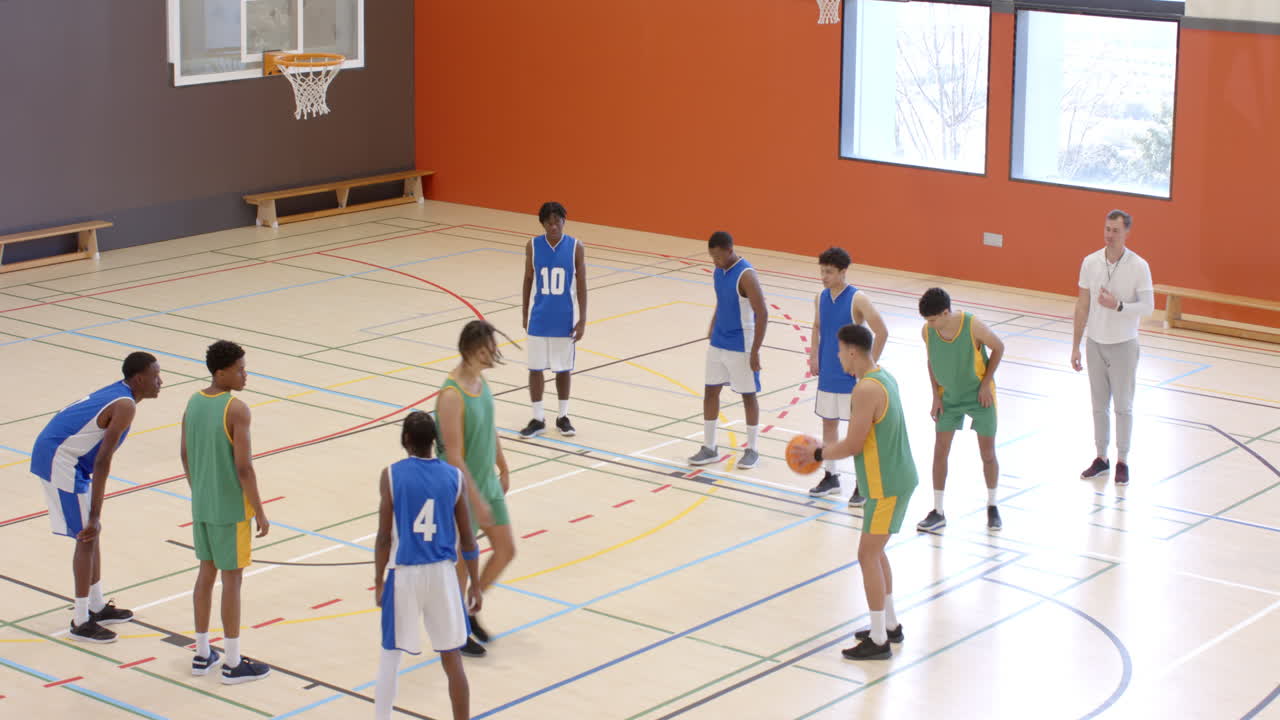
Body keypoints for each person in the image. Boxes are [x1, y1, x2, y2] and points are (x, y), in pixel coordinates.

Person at [802, 325, 917, 660]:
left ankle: (879, 640)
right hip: (893, 479)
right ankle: (890, 625)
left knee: (866, 555)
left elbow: (853, 444)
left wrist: (820, 453)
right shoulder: (884, 376)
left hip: (887, 485)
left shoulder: (865, 390)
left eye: (839, 351)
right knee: (877, 553)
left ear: (852, 351)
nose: (837, 357)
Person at [30, 351, 163, 643]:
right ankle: (81, 620)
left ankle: (97, 604)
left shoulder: (121, 393)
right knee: (87, 535)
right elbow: (103, 460)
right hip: (60, 460)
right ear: (139, 379)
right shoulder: (125, 405)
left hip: (67, 458)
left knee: (91, 535)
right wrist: (95, 513)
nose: (160, 381)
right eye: (155, 376)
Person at [373, 411, 482, 720]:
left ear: (406, 439)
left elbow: (383, 537)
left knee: (390, 657)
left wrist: (379, 580)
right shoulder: (453, 476)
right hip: (443, 575)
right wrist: (474, 581)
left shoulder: (391, 475)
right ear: (434, 441)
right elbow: (468, 538)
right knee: (452, 660)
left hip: (405, 573)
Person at [181, 340, 271, 684]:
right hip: (231, 509)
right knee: (232, 581)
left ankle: (203, 654)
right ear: (221, 372)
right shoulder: (236, 409)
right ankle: (233, 662)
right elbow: (244, 468)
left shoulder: (193, 402)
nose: (245, 374)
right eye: (240, 369)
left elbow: (185, 454)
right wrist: (260, 511)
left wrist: (200, 491)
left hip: (202, 504)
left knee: (206, 575)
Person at [437, 320, 513, 656]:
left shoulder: (480, 383)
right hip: (460, 489)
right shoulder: (452, 395)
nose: (492, 355)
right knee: (461, 564)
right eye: (486, 350)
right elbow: (453, 455)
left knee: (505, 548)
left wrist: (502, 463)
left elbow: (489, 427)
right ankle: (457, 629)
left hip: (486, 480)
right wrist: (475, 498)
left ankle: (469, 610)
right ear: (470, 349)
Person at [1071, 209, 1154, 486]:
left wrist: (1118, 305)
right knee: (1098, 405)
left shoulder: (1139, 266)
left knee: (1123, 406)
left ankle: (1123, 461)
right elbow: (1082, 304)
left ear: (1126, 232)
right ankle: (1101, 458)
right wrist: (1076, 345)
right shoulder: (1090, 262)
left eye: (1116, 230)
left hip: (1124, 345)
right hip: (1095, 342)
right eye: (1107, 229)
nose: (1110, 235)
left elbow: (1148, 307)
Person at [915, 288, 1005, 532]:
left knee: (987, 453)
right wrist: (935, 396)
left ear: (946, 313)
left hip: (979, 396)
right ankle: (938, 510)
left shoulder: (972, 325)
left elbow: (999, 347)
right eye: (927, 321)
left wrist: (986, 384)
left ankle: (992, 505)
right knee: (940, 451)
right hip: (949, 398)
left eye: (933, 320)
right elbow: (931, 361)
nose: (930, 325)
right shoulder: (928, 331)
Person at [806, 247, 888, 506]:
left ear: (843, 272)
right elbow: (817, 327)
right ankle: (831, 476)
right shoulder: (819, 297)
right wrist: (813, 355)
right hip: (828, 373)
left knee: (858, 433)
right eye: (822, 271)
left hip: (852, 380)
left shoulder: (858, 299)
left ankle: (862, 484)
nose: (824, 276)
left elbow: (882, 331)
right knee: (828, 425)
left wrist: (868, 367)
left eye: (829, 272)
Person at [688, 231, 768, 469]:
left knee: (748, 395)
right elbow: (722, 302)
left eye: (718, 257)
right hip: (718, 343)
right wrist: (713, 323)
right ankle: (710, 447)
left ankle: (752, 449)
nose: (715, 261)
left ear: (729, 250)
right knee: (710, 392)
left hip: (741, 345)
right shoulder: (718, 272)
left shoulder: (746, 275)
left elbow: (762, 313)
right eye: (712, 257)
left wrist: (755, 351)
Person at [519, 201, 587, 439]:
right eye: (549, 221)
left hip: (564, 320)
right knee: (535, 368)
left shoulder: (575, 247)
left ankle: (563, 416)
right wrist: (525, 311)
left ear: (563, 221)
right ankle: (538, 418)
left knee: (563, 369)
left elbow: (581, 284)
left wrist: (582, 319)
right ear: (543, 224)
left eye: (557, 220)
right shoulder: (533, 246)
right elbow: (528, 279)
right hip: (539, 318)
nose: (554, 225)